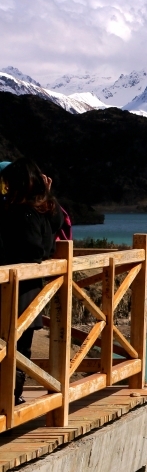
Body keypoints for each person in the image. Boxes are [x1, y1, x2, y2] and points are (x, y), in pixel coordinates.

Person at [0, 159, 64, 404]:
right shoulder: (39, 208)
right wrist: (48, 194)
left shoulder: (20, 211)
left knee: (13, 347)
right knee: (19, 347)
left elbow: (31, 249)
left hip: (15, 289)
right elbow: (54, 225)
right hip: (29, 290)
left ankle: (9, 399)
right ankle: (11, 399)